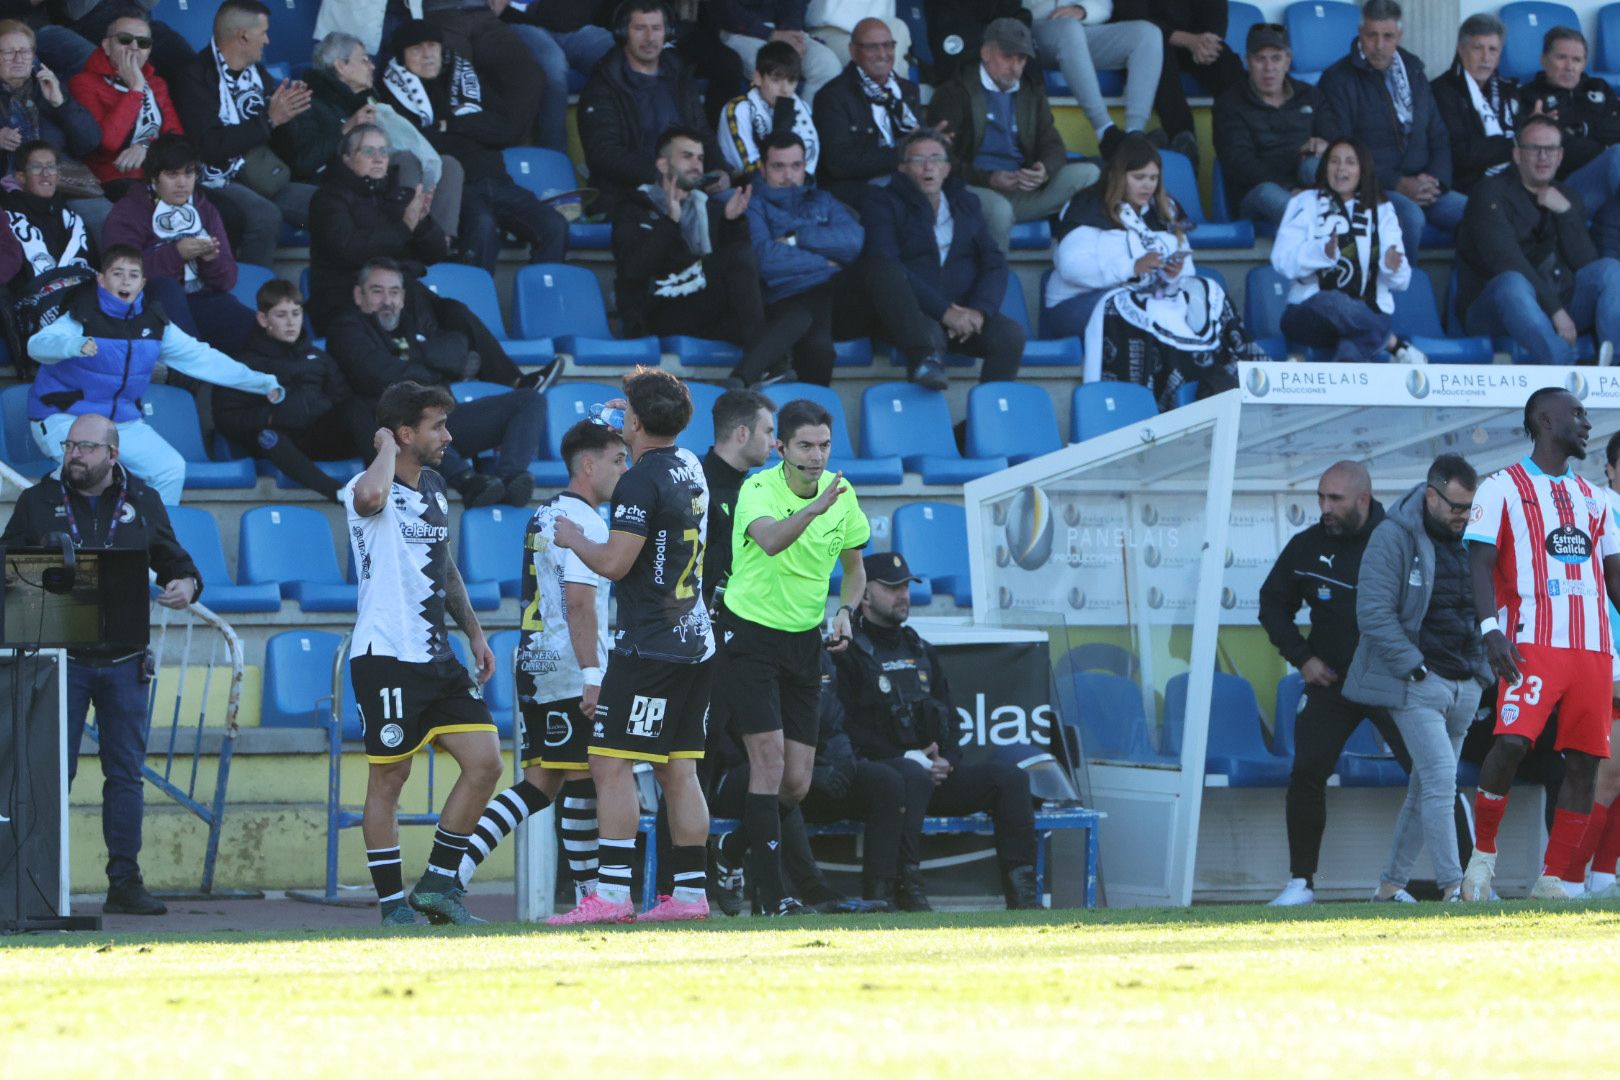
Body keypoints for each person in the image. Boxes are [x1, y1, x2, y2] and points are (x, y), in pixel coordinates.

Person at [0, 412, 200, 917]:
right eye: (70, 446)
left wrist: (186, 585)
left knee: (126, 774)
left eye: (86, 448)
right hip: (57, 661)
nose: (75, 456)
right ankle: (34, 879)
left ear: (112, 455)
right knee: (48, 773)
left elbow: (176, 562)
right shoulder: (37, 501)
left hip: (126, 659)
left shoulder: (143, 501)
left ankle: (124, 882)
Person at [551, 367, 717, 925]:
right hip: (696, 637)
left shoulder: (638, 481)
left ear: (638, 422)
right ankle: (690, 896)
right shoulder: (690, 464)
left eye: (626, 412)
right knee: (679, 768)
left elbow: (617, 562)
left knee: (609, 762)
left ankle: (612, 896)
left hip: (651, 644)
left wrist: (576, 538)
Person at [344, 380, 504, 926]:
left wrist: (475, 633)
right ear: (406, 432)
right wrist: (385, 446)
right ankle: (392, 906)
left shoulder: (435, 487)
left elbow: (445, 565)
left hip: (436, 655)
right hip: (384, 654)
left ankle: (437, 886)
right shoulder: (365, 487)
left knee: (486, 763)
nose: (448, 435)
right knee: (390, 779)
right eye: (437, 425)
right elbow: (371, 500)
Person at [457, 419, 628, 921]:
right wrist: (594, 671)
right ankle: (592, 898)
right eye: (617, 460)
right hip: (572, 666)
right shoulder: (589, 525)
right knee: (591, 778)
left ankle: (453, 873)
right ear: (589, 465)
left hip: (535, 661)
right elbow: (579, 603)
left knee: (549, 784)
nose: (625, 470)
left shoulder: (544, 515)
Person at [709, 397, 869, 916]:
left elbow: (855, 568)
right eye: (805, 445)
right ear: (781, 447)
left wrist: (845, 611)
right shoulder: (758, 489)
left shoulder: (844, 496)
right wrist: (815, 507)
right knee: (769, 762)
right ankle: (774, 897)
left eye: (824, 446)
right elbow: (772, 541)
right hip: (750, 636)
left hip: (804, 641)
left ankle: (732, 847)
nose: (817, 456)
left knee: (796, 783)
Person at [1461, 388, 1620, 902]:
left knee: (1584, 764)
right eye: (1578, 414)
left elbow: (1615, 582)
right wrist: (1490, 630)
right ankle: (1482, 861)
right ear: (1545, 420)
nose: (1587, 424)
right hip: (1532, 643)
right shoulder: (1500, 488)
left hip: (1594, 649)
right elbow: (1480, 566)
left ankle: (1554, 879)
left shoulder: (1598, 501)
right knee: (1509, 743)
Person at [834, 550, 1041, 910]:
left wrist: (947, 758)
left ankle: (1023, 895)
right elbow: (843, 728)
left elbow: (950, 717)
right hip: (879, 778)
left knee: (1010, 780)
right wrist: (904, 757)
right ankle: (906, 887)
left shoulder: (920, 648)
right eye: (892, 587)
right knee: (907, 776)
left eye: (906, 587)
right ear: (864, 595)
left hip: (931, 775)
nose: (903, 594)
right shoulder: (847, 652)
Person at [1258, 460, 1413, 906]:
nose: (1324, 508)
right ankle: (1301, 883)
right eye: (1321, 498)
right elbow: (1271, 606)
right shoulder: (1306, 547)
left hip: (1391, 682)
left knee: (1430, 776)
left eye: (1335, 499)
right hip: (1333, 685)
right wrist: (1303, 658)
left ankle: (1454, 883)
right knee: (1306, 771)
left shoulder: (1401, 539)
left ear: (1363, 500)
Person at [25, 244, 284, 506]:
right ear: (102, 280)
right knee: (96, 471)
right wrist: (71, 346)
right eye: (117, 273)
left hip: (119, 422)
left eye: (133, 275)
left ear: (142, 283)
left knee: (169, 468)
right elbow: (38, 345)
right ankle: (70, 533)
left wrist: (260, 383)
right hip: (63, 417)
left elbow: (204, 359)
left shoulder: (155, 324)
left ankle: (156, 543)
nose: (126, 280)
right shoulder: (79, 314)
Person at [1343, 454, 1486, 904]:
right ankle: (1453, 886)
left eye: (1469, 508)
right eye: (1456, 507)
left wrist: (1481, 675)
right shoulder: (1393, 536)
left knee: (1424, 788)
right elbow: (1373, 613)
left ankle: (1389, 884)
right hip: (1418, 683)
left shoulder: (1475, 535)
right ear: (1430, 495)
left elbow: (1486, 605)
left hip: (1465, 683)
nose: (1463, 517)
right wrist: (1415, 668)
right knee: (1442, 780)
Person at [1046, 135, 1250, 409]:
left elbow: (1186, 267)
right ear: (1120, 175)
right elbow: (1070, 267)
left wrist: (1173, 273)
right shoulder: (1089, 204)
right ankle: (1169, 398)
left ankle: (1231, 378)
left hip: (1150, 298)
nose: (1147, 185)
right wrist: (1131, 268)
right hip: (1078, 303)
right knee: (1141, 307)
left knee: (1207, 290)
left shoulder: (1165, 208)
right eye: (1139, 177)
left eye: (1153, 178)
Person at [324, 258, 544, 508]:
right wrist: (432, 369)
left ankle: (510, 479)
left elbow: (458, 350)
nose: (387, 300)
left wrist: (415, 360)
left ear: (403, 297)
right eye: (377, 291)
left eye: (394, 292)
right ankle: (469, 482)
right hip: (397, 434)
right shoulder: (346, 328)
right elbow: (380, 377)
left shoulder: (413, 322)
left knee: (529, 400)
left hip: (444, 423)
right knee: (399, 417)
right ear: (359, 295)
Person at [611, 126, 807, 390]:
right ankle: (772, 366)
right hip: (661, 310)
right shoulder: (634, 208)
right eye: (687, 156)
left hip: (705, 309)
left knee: (797, 314)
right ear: (662, 164)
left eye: (701, 159)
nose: (696, 165)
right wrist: (670, 222)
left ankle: (740, 379)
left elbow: (743, 272)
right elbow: (633, 271)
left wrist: (732, 222)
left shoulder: (708, 207)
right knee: (739, 261)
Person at [749, 131, 948, 387]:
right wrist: (825, 261)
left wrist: (796, 239)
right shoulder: (753, 204)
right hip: (792, 299)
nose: (789, 176)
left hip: (838, 297)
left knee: (881, 267)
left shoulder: (823, 199)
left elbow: (853, 242)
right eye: (779, 167)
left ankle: (923, 359)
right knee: (818, 349)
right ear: (763, 168)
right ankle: (813, 423)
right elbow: (767, 260)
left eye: (796, 166)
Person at [378, 19, 567, 273]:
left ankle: (545, 297)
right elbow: (420, 142)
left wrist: (449, 125)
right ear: (402, 57)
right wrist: (472, 127)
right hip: (455, 187)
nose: (427, 55)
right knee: (483, 227)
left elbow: (505, 129)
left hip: (496, 179)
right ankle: (475, 305)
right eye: (417, 49)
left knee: (554, 225)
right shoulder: (393, 92)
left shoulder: (466, 78)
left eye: (432, 46)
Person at [863, 127, 1025, 391]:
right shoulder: (883, 202)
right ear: (903, 168)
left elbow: (994, 262)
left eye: (936, 159)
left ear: (947, 168)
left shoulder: (966, 202)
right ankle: (927, 430)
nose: (929, 167)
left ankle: (981, 426)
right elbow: (887, 265)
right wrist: (944, 311)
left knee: (1010, 336)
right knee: (929, 335)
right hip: (910, 314)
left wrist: (980, 311)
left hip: (964, 316)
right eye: (918, 160)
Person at [1456, 114, 1620, 367]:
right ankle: (1565, 373)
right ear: (1517, 154)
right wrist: (1555, 310)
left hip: (1556, 302)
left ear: (1560, 156)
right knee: (1513, 283)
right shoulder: (1489, 193)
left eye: (1551, 149)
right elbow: (1507, 262)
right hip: (1494, 309)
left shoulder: (1567, 196)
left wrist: (1566, 214)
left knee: (1609, 269)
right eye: (1534, 149)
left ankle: (1615, 370)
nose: (1543, 156)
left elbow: (1585, 263)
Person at [924, 18, 1097, 253]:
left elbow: (1053, 144)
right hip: (972, 188)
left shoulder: (1031, 91)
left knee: (1090, 175)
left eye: (1021, 59)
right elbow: (939, 159)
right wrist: (989, 178)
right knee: (999, 211)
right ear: (986, 53)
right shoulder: (954, 92)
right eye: (1008, 57)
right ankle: (994, 283)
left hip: (1020, 189)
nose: (1015, 67)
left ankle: (1076, 262)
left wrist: (1043, 170)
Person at [169, 0, 320, 267]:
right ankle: (253, 297)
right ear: (243, 36)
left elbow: (277, 141)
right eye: (263, 32)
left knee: (328, 203)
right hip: (216, 179)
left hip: (261, 173)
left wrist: (290, 115)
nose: (268, 40)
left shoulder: (258, 75)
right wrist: (270, 121)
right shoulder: (194, 76)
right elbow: (209, 146)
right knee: (265, 216)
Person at [1316, 0, 1462, 257]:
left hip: (1424, 185)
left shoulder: (1413, 70)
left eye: (1388, 36)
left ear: (1399, 36)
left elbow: (1438, 133)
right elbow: (1344, 150)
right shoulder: (1338, 79)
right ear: (1360, 34)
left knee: (1476, 214)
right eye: (1372, 36)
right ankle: (1403, 293)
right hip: (1374, 188)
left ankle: (1463, 295)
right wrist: (1398, 182)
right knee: (1410, 218)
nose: (1380, 46)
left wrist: (1436, 181)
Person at [293, 32, 464, 241]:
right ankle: (405, 237)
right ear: (341, 66)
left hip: (378, 179)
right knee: (403, 161)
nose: (372, 67)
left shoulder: (374, 101)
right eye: (364, 60)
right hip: (338, 183)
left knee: (449, 165)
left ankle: (440, 243)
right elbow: (304, 164)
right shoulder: (308, 103)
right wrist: (345, 131)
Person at [212, 278, 372, 502]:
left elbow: (343, 400)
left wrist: (323, 409)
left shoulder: (319, 359)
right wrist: (270, 417)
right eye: (281, 315)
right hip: (282, 442)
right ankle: (337, 492)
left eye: (296, 313)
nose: (291, 322)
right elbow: (226, 417)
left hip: (319, 437)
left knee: (359, 408)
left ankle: (384, 484)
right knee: (267, 437)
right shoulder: (244, 364)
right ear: (262, 319)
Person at [102, 133, 258, 355]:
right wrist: (176, 254)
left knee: (253, 332)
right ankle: (186, 374)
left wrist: (211, 260)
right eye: (172, 175)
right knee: (168, 289)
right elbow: (119, 276)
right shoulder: (128, 212)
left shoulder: (205, 210)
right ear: (154, 179)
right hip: (146, 306)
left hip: (199, 299)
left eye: (189, 173)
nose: (182, 183)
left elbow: (227, 281)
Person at [1271, 139, 1422, 365]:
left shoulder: (1382, 209)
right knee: (1331, 300)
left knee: (1355, 345)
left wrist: (1391, 267)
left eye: (1350, 162)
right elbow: (1281, 259)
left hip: (1365, 317)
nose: (1341, 169)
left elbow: (1401, 281)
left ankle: (1349, 364)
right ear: (1324, 166)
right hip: (1309, 315)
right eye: (1334, 161)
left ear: (1363, 169)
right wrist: (1321, 252)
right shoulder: (1305, 202)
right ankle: (1390, 340)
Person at [578, 0, 728, 212]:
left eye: (656, 28)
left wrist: (719, 168)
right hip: (630, 198)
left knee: (737, 207)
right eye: (640, 29)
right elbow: (604, 154)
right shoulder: (604, 84)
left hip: (687, 189)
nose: (650, 38)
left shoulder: (679, 76)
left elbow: (701, 131)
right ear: (623, 33)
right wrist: (663, 175)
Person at [305, 123, 454, 331]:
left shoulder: (399, 195)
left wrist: (422, 225)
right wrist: (404, 228)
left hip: (400, 296)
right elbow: (349, 250)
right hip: (347, 299)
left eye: (384, 151)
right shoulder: (328, 198)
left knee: (457, 315)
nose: (378, 158)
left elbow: (436, 253)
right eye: (368, 151)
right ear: (347, 160)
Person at [1568, 431, 1620, 899]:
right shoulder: (1597, 509)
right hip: (1605, 658)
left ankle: (1603, 877)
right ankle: (1567, 876)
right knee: (1605, 774)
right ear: (1610, 468)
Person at [1518, 26, 1620, 259]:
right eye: (1561, 57)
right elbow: (1560, 151)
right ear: (1544, 60)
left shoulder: (1598, 88)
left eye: (1577, 59)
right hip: (1565, 190)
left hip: (1610, 187)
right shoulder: (1530, 97)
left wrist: (1580, 129)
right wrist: (1603, 148)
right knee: (1617, 156)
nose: (1569, 66)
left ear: (1584, 64)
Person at [1212, 22, 1327, 227]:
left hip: (1304, 189)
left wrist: (1325, 144)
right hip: (1255, 194)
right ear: (1247, 61)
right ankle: (1325, 233)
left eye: (1276, 58)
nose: (1269, 68)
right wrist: (1289, 190)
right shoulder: (1229, 104)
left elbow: (1336, 136)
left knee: (1316, 164)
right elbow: (1240, 163)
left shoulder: (1310, 96)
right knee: (1270, 194)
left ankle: (1331, 228)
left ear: (1288, 61)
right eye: (1260, 59)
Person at [1020, 1, 1161, 160]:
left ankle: (1135, 135)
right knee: (1069, 29)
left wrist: (1082, 10)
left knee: (1148, 33)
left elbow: (1104, 6)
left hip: (1079, 31)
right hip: (1033, 31)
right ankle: (1106, 132)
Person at [811, 17, 923, 211]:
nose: (882, 54)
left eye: (888, 45)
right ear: (853, 52)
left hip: (901, 176)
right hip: (857, 187)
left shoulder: (907, 90)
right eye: (872, 47)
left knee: (954, 190)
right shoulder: (832, 97)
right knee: (895, 203)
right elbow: (839, 163)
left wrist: (932, 142)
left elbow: (918, 142)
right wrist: (903, 155)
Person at [67, 11, 184, 196]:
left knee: (228, 211)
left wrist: (146, 147)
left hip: (160, 175)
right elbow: (107, 143)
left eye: (143, 43)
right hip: (114, 179)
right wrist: (136, 89)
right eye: (125, 39)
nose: (134, 47)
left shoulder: (157, 84)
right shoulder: (84, 83)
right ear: (106, 46)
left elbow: (177, 138)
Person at [420, 0, 546, 146]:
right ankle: (464, 147)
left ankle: (509, 144)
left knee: (529, 75)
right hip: (438, 14)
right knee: (456, 75)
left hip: (484, 13)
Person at [497, 0, 615, 153]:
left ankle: (622, 152)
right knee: (553, 69)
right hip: (520, 24)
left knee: (620, 53)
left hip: (571, 26)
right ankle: (554, 157)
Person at [1137, 0, 1244, 163]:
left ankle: (1238, 144)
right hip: (1147, 42)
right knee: (1159, 56)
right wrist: (1188, 40)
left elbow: (1216, 19)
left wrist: (1206, 44)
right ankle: (1183, 145)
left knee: (1225, 61)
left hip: (1194, 43)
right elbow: (1134, 18)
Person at [701, 387, 776, 611]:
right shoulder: (696, 490)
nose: (773, 442)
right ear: (743, 434)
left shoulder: (759, 489)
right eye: (768, 432)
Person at [1429, 13, 1519, 199]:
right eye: (1478, 48)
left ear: (1499, 55)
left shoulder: (1508, 89)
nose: (1486, 58)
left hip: (1512, 180)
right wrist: (1516, 144)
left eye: (1493, 50)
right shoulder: (1442, 91)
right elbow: (1463, 155)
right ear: (1461, 50)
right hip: (1467, 188)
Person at [0, 19, 99, 177]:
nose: (18, 59)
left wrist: (61, 104)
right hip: (9, 187)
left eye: (25, 52)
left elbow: (89, 144)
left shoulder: (48, 85)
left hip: (60, 183)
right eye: (8, 52)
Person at [718, 39, 820, 180]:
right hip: (749, 190)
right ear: (758, 77)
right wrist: (780, 129)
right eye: (776, 80)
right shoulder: (738, 110)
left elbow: (809, 161)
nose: (785, 90)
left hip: (797, 189)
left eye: (791, 81)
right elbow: (749, 166)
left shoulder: (803, 108)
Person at [2, 140, 94, 294]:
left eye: (51, 167)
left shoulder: (73, 220)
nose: (45, 174)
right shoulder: (7, 217)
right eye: (37, 167)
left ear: (58, 176)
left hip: (81, 302)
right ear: (21, 177)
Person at [710, 0, 841, 103]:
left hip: (786, 31)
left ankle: (806, 128)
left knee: (827, 65)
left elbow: (795, 5)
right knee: (774, 67)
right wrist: (771, 35)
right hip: (742, 33)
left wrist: (791, 34)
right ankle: (778, 130)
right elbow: (726, 11)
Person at [805, 0, 911, 68]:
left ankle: (887, 89)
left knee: (898, 26)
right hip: (830, 30)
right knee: (871, 57)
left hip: (873, 34)